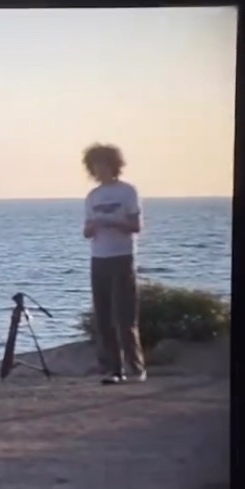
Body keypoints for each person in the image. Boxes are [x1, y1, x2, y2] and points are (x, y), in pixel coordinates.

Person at [81, 143, 146, 385]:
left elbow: (136, 226)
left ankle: (135, 368)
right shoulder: (93, 196)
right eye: (95, 165)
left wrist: (113, 223)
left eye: (103, 164)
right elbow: (86, 231)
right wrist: (94, 226)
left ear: (113, 165)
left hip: (122, 257)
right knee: (103, 317)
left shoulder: (127, 191)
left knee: (125, 316)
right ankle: (113, 369)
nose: (99, 170)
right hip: (99, 258)